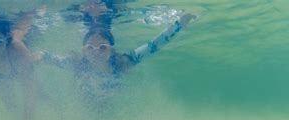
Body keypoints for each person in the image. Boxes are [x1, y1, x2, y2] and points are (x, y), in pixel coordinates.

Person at [40, 11, 196, 112]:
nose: (96, 52)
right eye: (89, 48)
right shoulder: (77, 63)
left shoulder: (122, 62)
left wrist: (178, 24)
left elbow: (153, 45)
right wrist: (40, 55)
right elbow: (52, 59)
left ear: (112, 50)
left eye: (102, 47)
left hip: (111, 110)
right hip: (86, 110)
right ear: (83, 50)